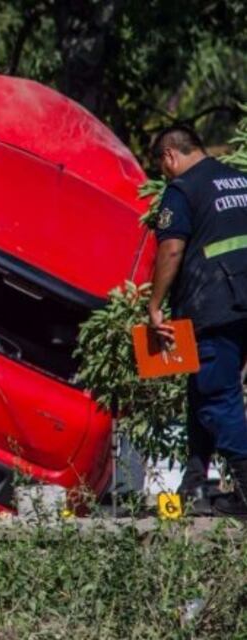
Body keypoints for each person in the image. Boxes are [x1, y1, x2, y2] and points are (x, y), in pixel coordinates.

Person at [148, 124, 247, 517]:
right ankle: (194, 484)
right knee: (200, 392)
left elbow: (171, 251)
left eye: (162, 167)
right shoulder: (240, 181)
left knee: (214, 396)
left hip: (212, 309)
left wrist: (155, 306)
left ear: (170, 156)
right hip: (241, 305)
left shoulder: (183, 190)